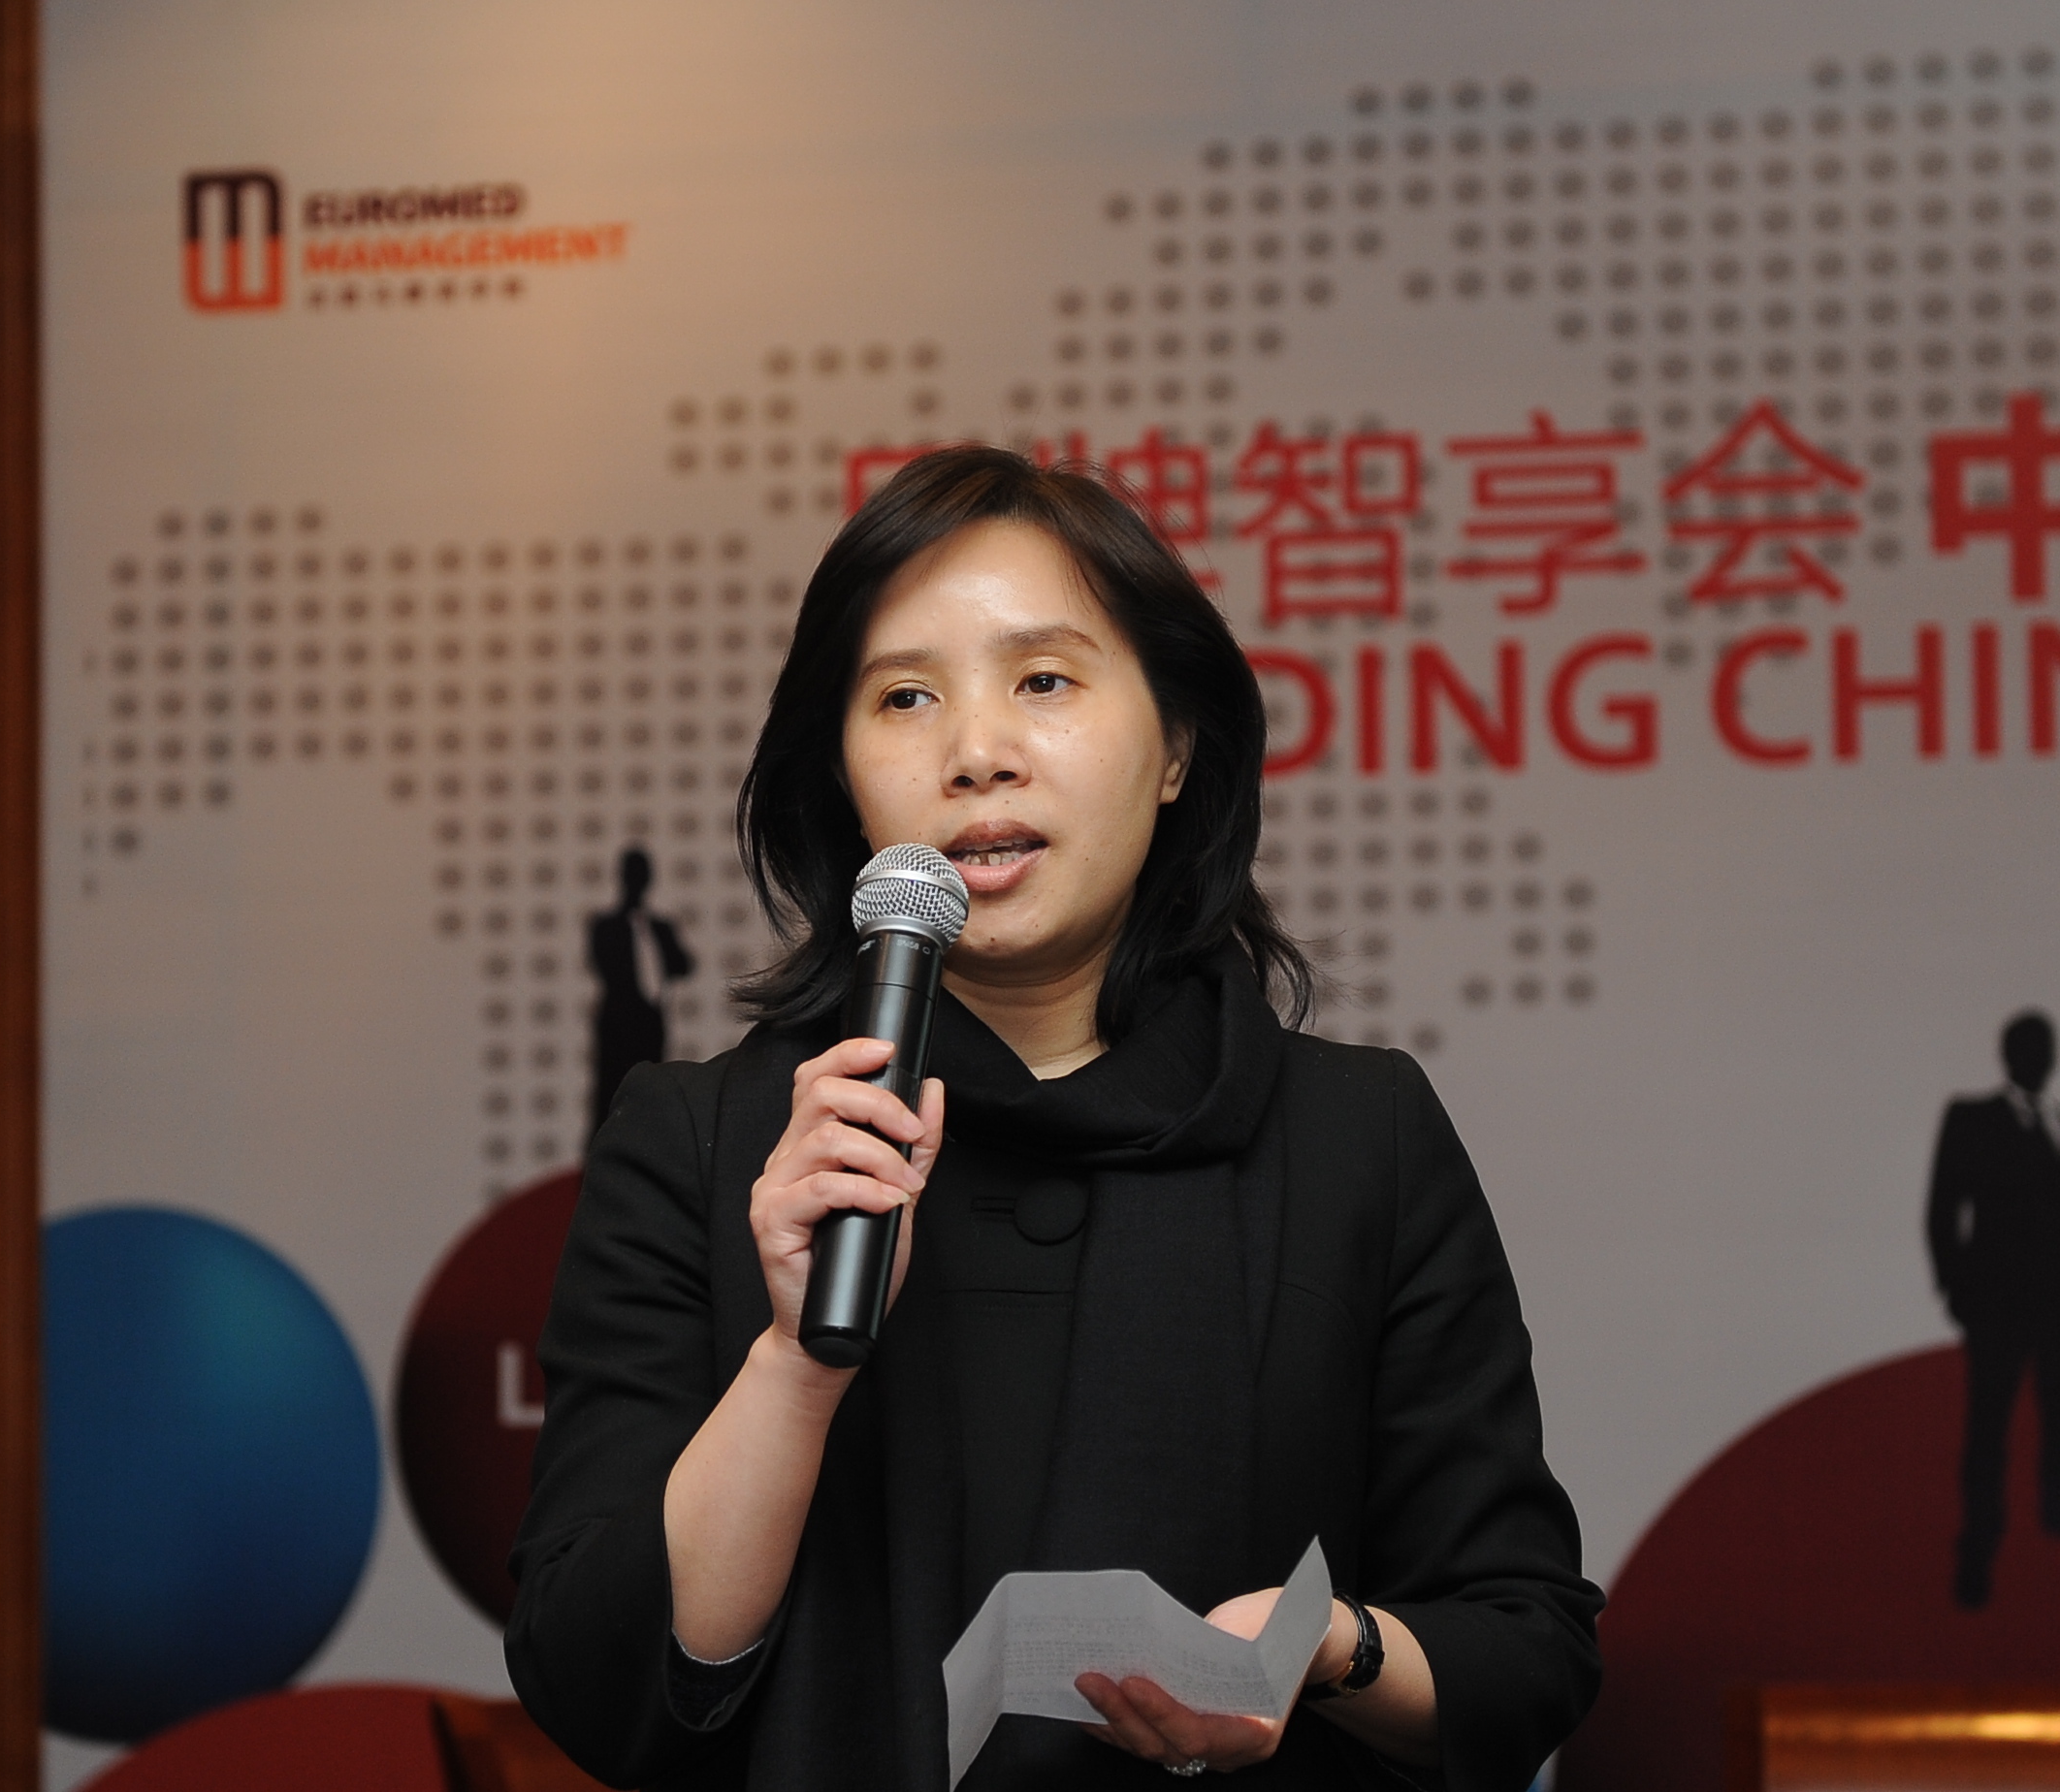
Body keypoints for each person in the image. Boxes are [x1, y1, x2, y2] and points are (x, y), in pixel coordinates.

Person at [508, 447, 1600, 1790]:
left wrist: (1324, 1648)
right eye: (905, 697)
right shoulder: (706, 1144)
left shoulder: (1353, 1140)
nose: (977, 755)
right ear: (841, 776)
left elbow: (1524, 1647)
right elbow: (593, 1679)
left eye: (1043, 680)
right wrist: (794, 1363)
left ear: (1177, 748)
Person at [1924, 1009, 2060, 1611]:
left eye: (2045, 1049)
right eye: (2027, 1048)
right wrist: (1956, 1289)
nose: (2038, 1059)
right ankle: (1979, 1543)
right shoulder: (1970, 1118)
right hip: (1996, 1306)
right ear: (2007, 1055)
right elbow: (1943, 1207)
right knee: (1989, 1426)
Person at [587, 847, 696, 1142]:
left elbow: (683, 964)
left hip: (650, 1025)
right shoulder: (606, 926)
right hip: (617, 1025)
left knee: (652, 1091)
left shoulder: (660, 927)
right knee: (609, 1094)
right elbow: (605, 965)